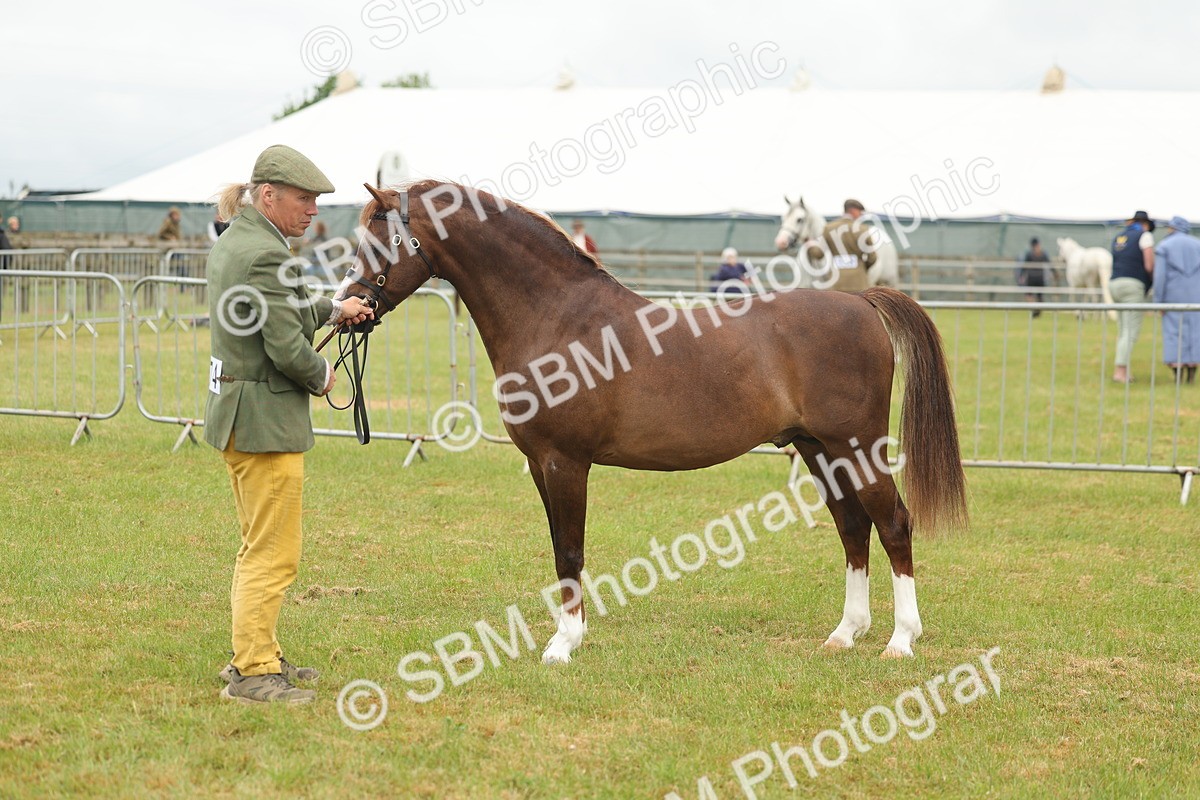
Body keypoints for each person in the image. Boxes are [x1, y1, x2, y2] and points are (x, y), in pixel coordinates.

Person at [206, 144, 374, 704]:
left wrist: (334, 309)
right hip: (264, 422)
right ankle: (254, 673)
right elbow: (284, 345)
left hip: (239, 415)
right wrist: (322, 373)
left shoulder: (241, 241)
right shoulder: (268, 254)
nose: (313, 212)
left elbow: (280, 310)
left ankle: (257, 655)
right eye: (304, 199)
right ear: (269, 196)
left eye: (317, 201)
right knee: (274, 553)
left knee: (260, 545)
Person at [1110, 210, 1156, 384]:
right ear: (1145, 224)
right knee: (1130, 331)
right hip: (1132, 285)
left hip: (1114, 284)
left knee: (1123, 330)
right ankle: (1120, 372)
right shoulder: (1144, 236)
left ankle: (1124, 370)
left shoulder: (1120, 237)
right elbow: (1149, 264)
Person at [1153, 216, 1200, 384]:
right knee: (1195, 333)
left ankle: (1177, 374)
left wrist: (1158, 301)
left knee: (1174, 333)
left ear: (1173, 228)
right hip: (1196, 298)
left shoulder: (1164, 246)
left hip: (1172, 297)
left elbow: (1160, 277)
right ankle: (1192, 374)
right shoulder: (1197, 244)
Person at [804, 199, 876, 292]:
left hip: (835, 285)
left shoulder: (828, 228)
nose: (861, 216)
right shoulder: (863, 229)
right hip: (859, 284)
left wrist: (809, 244)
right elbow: (872, 258)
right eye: (860, 213)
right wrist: (861, 267)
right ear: (853, 211)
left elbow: (818, 254)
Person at [1019, 237, 1051, 316]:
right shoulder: (1043, 253)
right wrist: (1055, 273)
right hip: (1040, 278)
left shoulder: (1029, 254)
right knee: (1038, 295)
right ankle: (1037, 309)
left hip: (1032, 278)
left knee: (1029, 294)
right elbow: (1049, 264)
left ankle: (1034, 309)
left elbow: (1024, 266)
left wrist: (1021, 275)